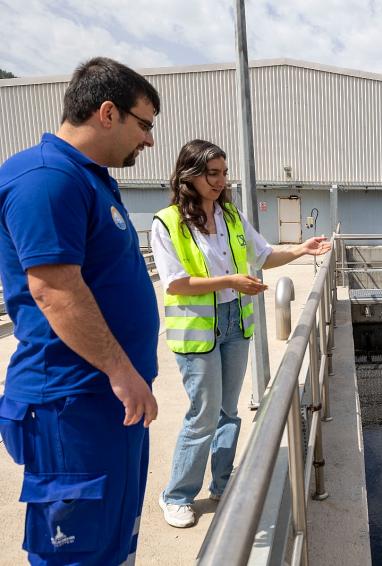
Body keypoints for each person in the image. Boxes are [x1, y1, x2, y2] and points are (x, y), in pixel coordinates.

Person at [0, 58, 160, 565]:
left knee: (112, 540)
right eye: (146, 123)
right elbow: (55, 290)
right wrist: (120, 370)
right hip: (73, 403)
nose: (150, 140)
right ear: (108, 113)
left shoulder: (88, 179)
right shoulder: (47, 179)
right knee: (77, 553)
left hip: (109, 400)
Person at [152, 139, 331, 528]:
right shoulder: (167, 222)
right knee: (203, 415)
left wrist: (302, 248)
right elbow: (176, 284)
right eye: (211, 174)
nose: (220, 181)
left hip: (235, 323)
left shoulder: (230, 216)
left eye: (223, 173)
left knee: (227, 412)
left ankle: (221, 483)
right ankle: (177, 495)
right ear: (190, 176)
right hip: (198, 331)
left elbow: (264, 255)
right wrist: (230, 280)